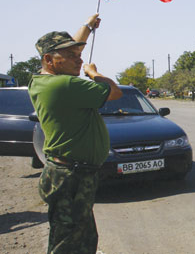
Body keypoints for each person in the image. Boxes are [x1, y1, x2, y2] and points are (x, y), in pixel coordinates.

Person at [28, 14, 122, 254]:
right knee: (68, 242)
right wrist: (93, 72)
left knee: (82, 237)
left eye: (79, 55)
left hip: (69, 174)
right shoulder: (65, 85)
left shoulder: (41, 79)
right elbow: (113, 92)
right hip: (71, 177)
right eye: (71, 56)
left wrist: (88, 28)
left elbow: (69, 50)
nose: (79, 60)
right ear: (49, 60)